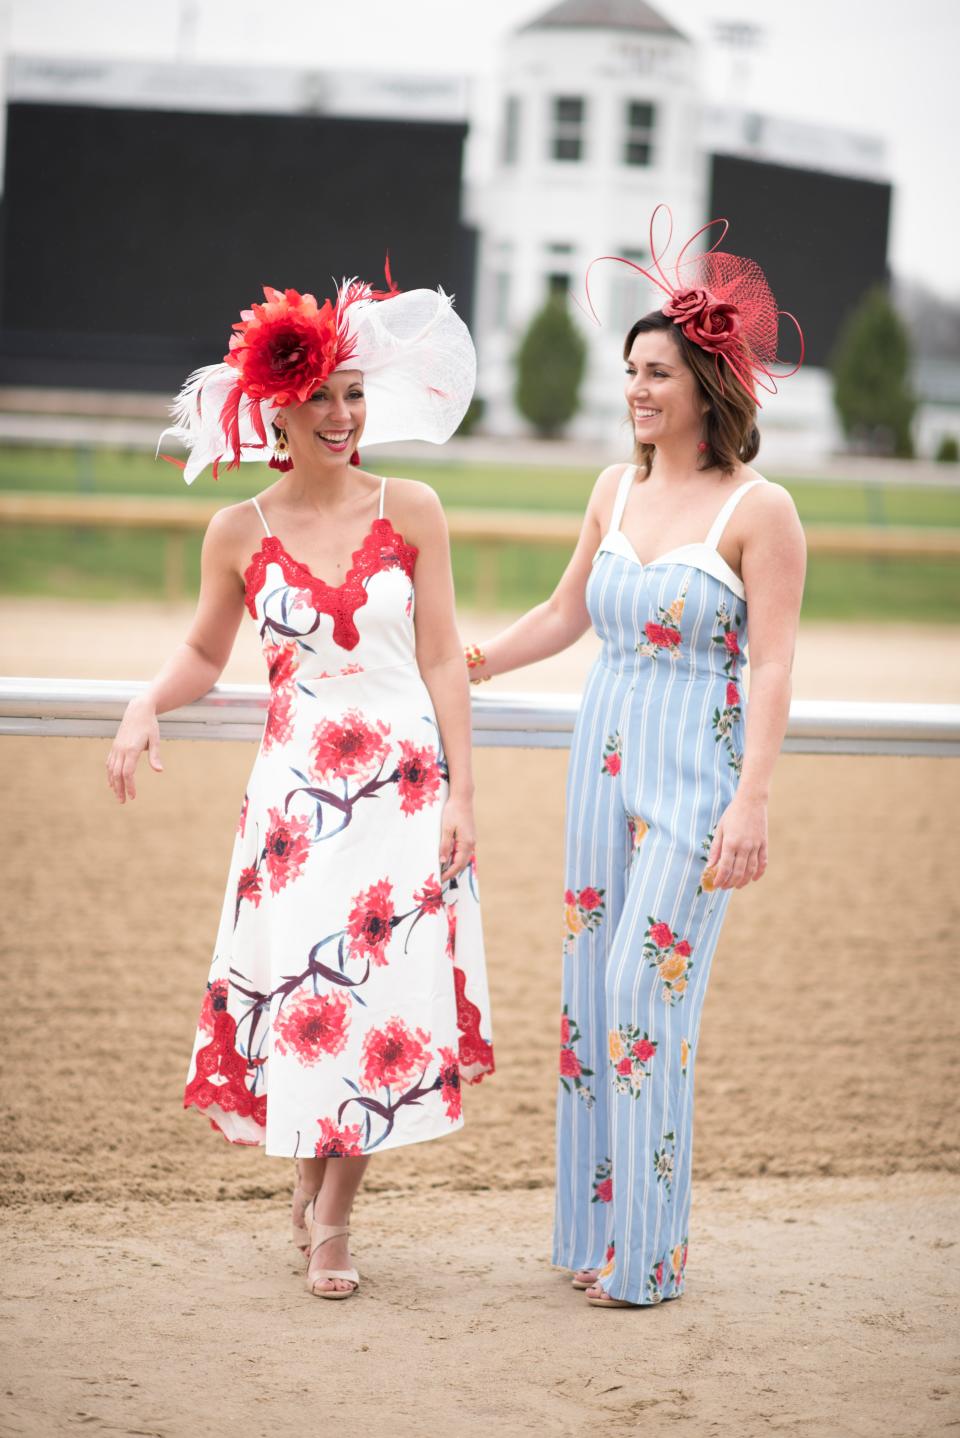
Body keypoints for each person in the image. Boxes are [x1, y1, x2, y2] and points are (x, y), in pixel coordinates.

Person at [106, 273, 494, 1300]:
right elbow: (202, 650)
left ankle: (331, 1217)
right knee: (308, 996)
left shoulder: (413, 509)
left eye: (356, 393)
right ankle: (307, 1168)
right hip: (295, 804)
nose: (341, 415)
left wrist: (462, 794)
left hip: (405, 792)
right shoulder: (237, 529)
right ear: (276, 404)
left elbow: (445, 655)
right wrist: (148, 702)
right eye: (322, 395)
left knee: (376, 1001)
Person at [464, 211, 805, 1308]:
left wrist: (752, 802)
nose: (636, 390)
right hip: (598, 769)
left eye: (656, 371)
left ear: (707, 383)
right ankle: (595, 1234)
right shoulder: (614, 490)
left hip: (697, 783)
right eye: (630, 372)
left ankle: (651, 1257)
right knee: (585, 1005)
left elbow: (777, 668)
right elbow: (566, 613)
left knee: (640, 1000)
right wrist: (464, 662)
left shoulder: (763, 511)